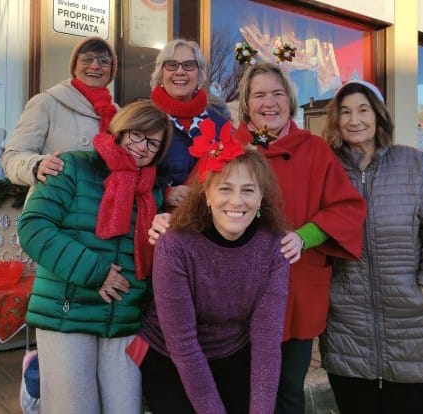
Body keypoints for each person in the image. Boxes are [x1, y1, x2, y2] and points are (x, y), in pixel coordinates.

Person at [148, 61, 368, 413]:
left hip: (297, 287)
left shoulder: (314, 148)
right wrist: (168, 221)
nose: (269, 102)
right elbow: (198, 200)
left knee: (289, 389)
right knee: (244, 390)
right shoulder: (227, 146)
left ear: (290, 100)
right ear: (246, 103)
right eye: (259, 94)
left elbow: (346, 208)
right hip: (237, 297)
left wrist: (304, 237)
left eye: (278, 93)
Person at [17, 101, 172, 414]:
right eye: (137, 135)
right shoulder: (72, 166)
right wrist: (95, 272)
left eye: (153, 143)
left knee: (125, 408)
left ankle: (36, 374)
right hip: (67, 312)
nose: (143, 147)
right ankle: (37, 378)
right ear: (121, 129)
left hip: (124, 318)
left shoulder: (152, 192)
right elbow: (34, 227)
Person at [128, 124, 291, 413]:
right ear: (206, 195)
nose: (236, 201)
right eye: (225, 189)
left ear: (261, 198)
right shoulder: (176, 245)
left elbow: (266, 342)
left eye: (248, 190)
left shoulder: (274, 248)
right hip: (170, 356)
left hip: (231, 350)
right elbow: (183, 345)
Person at [320, 79, 423, 414]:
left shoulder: (412, 164)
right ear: (336, 119)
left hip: (413, 322)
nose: (354, 120)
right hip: (348, 326)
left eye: (363, 110)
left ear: (379, 115)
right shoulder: (324, 168)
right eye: (345, 112)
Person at [2, 36, 118, 190]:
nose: (95, 66)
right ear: (74, 68)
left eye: (104, 61)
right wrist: (37, 165)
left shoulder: (118, 114)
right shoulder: (46, 102)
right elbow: (11, 158)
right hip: (57, 200)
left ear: (111, 70)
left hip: (103, 201)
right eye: (87, 59)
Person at [149, 38, 229, 210]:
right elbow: (131, 176)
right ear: (161, 73)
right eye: (171, 65)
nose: (180, 71)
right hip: (162, 220)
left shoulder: (220, 124)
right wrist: (164, 193)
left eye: (189, 65)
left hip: (211, 218)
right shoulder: (144, 120)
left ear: (199, 74)